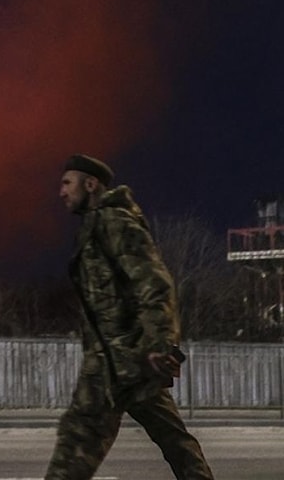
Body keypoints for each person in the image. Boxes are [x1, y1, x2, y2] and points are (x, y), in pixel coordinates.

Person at [46, 154, 214, 480]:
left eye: (67, 183)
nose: (61, 192)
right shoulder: (94, 227)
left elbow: (155, 284)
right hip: (120, 362)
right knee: (174, 442)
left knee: (77, 444)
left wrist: (159, 345)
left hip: (123, 362)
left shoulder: (114, 223)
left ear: (90, 184)